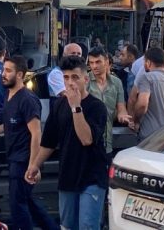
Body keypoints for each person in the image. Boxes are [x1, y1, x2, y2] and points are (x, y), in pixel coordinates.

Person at [28, 56, 108, 230]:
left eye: (75, 77)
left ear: (85, 80)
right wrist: (35, 165)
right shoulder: (58, 105)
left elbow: (86, 139)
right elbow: (49, 141)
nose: (70, 82)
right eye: (66, 78)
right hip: (67, 175)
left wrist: (76, 107)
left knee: (87, 225)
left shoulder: (97, 107)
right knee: (67, 226)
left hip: (92, 176)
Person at [0, 56, 58, 230]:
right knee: (27, 200)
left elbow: (36, 133)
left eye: (8, 71)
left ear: (19, 75)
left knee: (18, 204)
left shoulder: (27, 99)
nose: (3, 74)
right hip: (13, 157)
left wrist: (33, 165)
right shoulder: (9, 94)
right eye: (3, 70)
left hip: (24, 160)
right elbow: (15, 121)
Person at [86, 47, 131, 164]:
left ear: (106, 62)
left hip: (107, 142)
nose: (94, 66)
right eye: (91, 63)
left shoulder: (116, 83)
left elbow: (122, 109)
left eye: (98, 62)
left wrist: (123, 117)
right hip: (87, 140)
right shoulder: (85, 81)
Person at [127, 47, 164, 141]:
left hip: (150, 136)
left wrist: (135, 121)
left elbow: (142, 105)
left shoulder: (146, 78)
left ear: (148, 62)